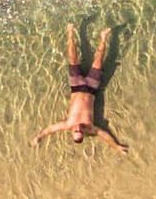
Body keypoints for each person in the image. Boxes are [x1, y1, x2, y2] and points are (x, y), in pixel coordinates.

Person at [35, 22, 128, 150]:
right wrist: (116, 146)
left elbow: (50, 130)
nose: (78, 128)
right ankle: (103, 37)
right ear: (84, 133)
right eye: (80, 131)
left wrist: (38, 138)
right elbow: (104, 135)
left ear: (72, 132)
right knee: (99, 60)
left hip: (76, 86)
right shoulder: (90, 128)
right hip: (91, 88)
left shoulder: (68, 124)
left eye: (76, 131)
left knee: (73, 58)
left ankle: (70, 33)